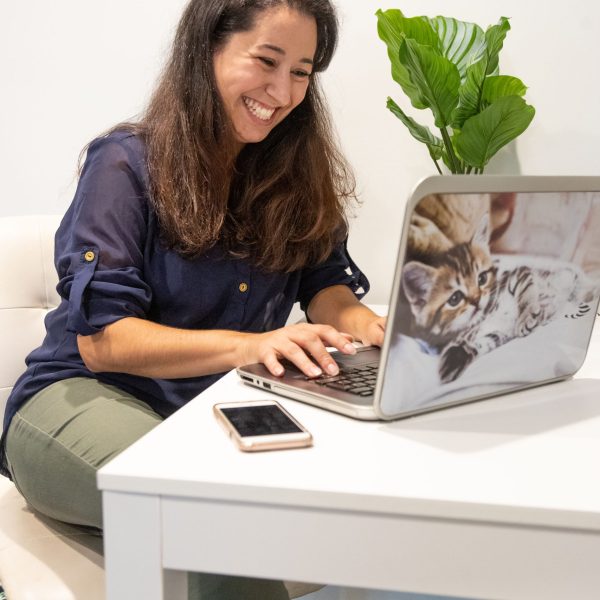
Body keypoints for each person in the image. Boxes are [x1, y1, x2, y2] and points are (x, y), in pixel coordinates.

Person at [0, 0, 385, 597]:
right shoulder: (125, 163)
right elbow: (104, 343)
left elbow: (323, 284)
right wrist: (252, 345)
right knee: (211, 517)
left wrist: (374, 325)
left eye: (303, 72)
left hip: (205, 417)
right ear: (207, 48)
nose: (282, 91)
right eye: (266, 60)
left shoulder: (292, 170)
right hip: (74, 403)